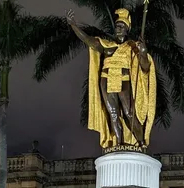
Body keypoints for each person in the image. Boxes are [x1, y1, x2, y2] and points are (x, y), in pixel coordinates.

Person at [66, 8, 156, 150]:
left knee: (129, 113)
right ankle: (118, 144)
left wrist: (143, 53)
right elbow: (87, 40)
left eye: (121, 26)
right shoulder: (107, 45)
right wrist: (73, 25)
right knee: (113, 114)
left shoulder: (132, 47)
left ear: (127, 29)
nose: (118, 29)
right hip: (106, 79)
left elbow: (145, 67)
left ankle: (141, 143)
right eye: (117, 26)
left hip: (123, 78)